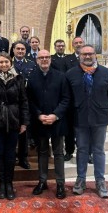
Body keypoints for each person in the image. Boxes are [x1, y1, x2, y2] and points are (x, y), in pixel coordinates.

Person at [66, 45, 108, 198]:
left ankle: (100, 181)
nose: (87, 56)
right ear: (79, 55)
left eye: (90, 54)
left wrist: (101, 106)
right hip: (79, 117)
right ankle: (80, 180)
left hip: (99, 118)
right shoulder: (71, 74)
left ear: (95, 55)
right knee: (81, 149)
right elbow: (67, 96)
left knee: (98, 150)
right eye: (84, 54)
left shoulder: (106, 73)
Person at [0, 52, 29, 200]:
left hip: (14, 120)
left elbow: (23, 101)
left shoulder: (18, 78)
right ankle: (1, 183)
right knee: (0, 154)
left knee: (10, 155)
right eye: (1, 62)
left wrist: (24, 122)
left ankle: (9, 183)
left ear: (11, 63)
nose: (4, 65)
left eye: (6, 62)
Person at [27, 50, 70, 199]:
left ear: (50, 59)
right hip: (40, 121)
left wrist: (55, 115)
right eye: (41, 58)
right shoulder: (32, 78)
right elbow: (30, 100)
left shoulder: (61, 76)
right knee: (42, 152)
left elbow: (66, 99)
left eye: (47, 57)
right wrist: (39, 114)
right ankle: (42, 181)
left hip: (57, 121)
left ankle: (60, 184)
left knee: (58, 153)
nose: (44, 60)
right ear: (37, 60)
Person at [12, 41, 36, 169]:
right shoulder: (8, 63)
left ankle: (23, 157)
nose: (20, 51)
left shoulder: (31, 64)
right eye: (18, 49)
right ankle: (12, 156)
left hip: (26, 102)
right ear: (14, 50)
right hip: (12, 103)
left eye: (22, 49)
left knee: (24, 131)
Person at [63, 36, 84, 161]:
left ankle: (88, 153)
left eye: (80, 42)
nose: (78, 44)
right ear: (72, 45)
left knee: (85, 130)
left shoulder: (89, 58)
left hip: (85, 102)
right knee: (69, 130)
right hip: (71, 100)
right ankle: (69, 151)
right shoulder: (67, 59)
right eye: (76, 43)